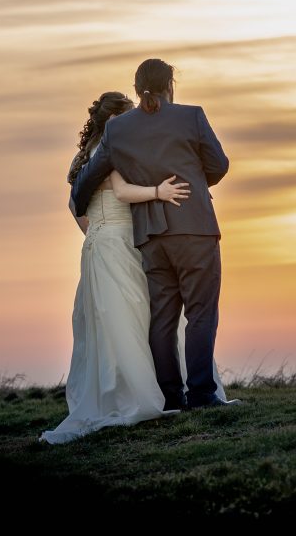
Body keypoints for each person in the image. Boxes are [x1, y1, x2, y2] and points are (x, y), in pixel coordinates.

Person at [39, 91, 228, 445]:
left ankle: (129, 390)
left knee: (114, 324)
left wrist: (96, 232)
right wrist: (158, 191)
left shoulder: (83, 157)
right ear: (114, 121)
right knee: (146, 318)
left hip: (101, 244)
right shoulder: (114, 150)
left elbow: (74, 205)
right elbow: (123, 192)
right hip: (124, 242)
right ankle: (155, 393)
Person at [70, 59, 236, 411]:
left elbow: (85, 183)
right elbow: (219, 165)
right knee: (201, 313)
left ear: (136, 88)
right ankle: (203, 395)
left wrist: (84, 207)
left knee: (162, 318)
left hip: (149, 236)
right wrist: (191, 181)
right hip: (194, 229)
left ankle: (171, 397)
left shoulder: (119, 131)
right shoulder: (191, 116)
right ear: (170, 85)